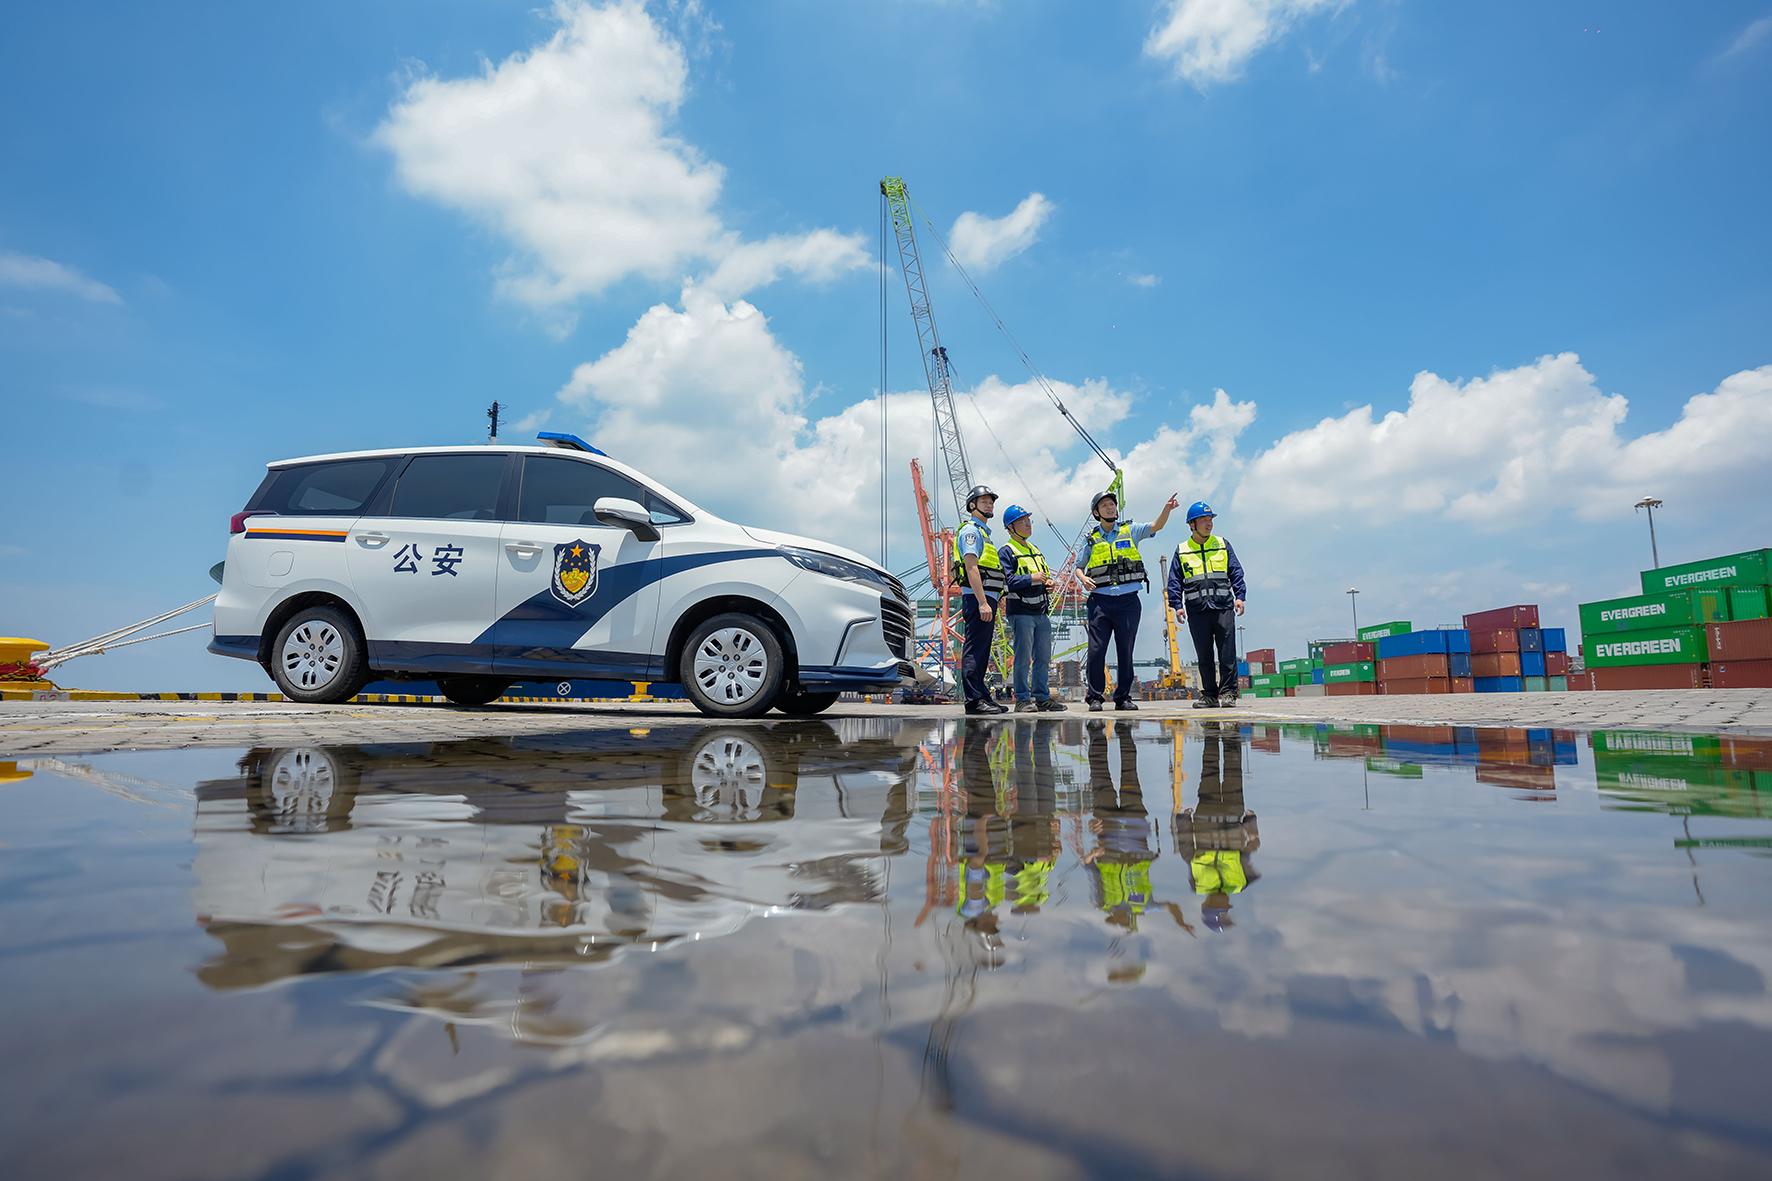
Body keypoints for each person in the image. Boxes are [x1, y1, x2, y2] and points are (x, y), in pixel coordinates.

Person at [1080, 489, 1181, 712]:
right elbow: (1079, 567)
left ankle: (1123, 698)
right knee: (1096, 650)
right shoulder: (1091, 539)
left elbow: (1156, 526)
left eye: (1112, 504)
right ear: (1096, 513)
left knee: (1125, 649)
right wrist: (1083, 578)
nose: (1110, 508)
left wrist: (1166, 510)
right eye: (1104, 505)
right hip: (1100, 602)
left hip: (1128, 602)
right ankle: (1095, 697)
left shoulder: (1130, 530)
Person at [1165, 501, 1247, 708]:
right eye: (1203, 520)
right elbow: (1174, 580)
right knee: (1204, 655)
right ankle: (1209, 695)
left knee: (1227, 653)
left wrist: (1240, 596)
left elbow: (1236, 572)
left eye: (1210, 519)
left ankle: (1229, 694)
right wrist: (1177, 605)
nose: (1208, 523)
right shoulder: (1182, 550)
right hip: (1197, 609)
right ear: (1192, 524)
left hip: (1223, 607)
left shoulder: (1222, 544)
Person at [997, 504, 1067, 714]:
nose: (1028, 525)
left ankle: (1042, 698)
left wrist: (1049, 584)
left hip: (1041, 612)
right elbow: (1007, 582)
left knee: (1043, 658)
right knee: (1022, 658)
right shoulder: (1006, 551)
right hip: (1021, 612)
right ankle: (1022, 699)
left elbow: (1043, 576)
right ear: (1011, 527)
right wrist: (1032, 578)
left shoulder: (1035, 550)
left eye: (1029, 521)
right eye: (1022, 521)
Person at [952, 484, 1007, 715]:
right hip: (978, 598)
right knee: (975, 649)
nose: (989, 504)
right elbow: (971, 567)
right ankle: (974, 701)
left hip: (987, 597)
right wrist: (983, 602)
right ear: (972, 505)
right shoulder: (971, 531)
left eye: (991, 501)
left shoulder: (985, 534)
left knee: (983, 650)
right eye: (984, 501)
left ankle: (982, 696)